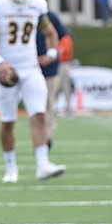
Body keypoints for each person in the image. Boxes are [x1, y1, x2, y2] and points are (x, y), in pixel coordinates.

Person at [0, 0, 66, 183]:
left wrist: (52, 53)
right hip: (7, 70)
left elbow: (51, 32)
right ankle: (10, 168)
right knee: (8, 121)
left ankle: (43, 164)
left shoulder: (36, 5)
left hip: (31, 68)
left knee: (39, 114)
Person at [37, 10, 69, 146]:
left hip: (50, 69)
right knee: (36, 106)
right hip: (30, 67)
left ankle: (46, 136)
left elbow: (64, 38)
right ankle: (40, 136)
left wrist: (53, 54)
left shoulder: (49, 17)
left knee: (48, 102)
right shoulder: (22, 16)